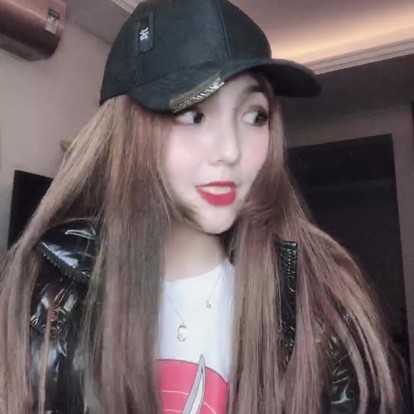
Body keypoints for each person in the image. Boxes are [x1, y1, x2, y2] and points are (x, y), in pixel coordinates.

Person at [0, 0, 402, 413]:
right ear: (127, 133)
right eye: (194, 115)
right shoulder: (47, 293)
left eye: (255, 116)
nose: (231, 151)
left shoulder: (321, 303)